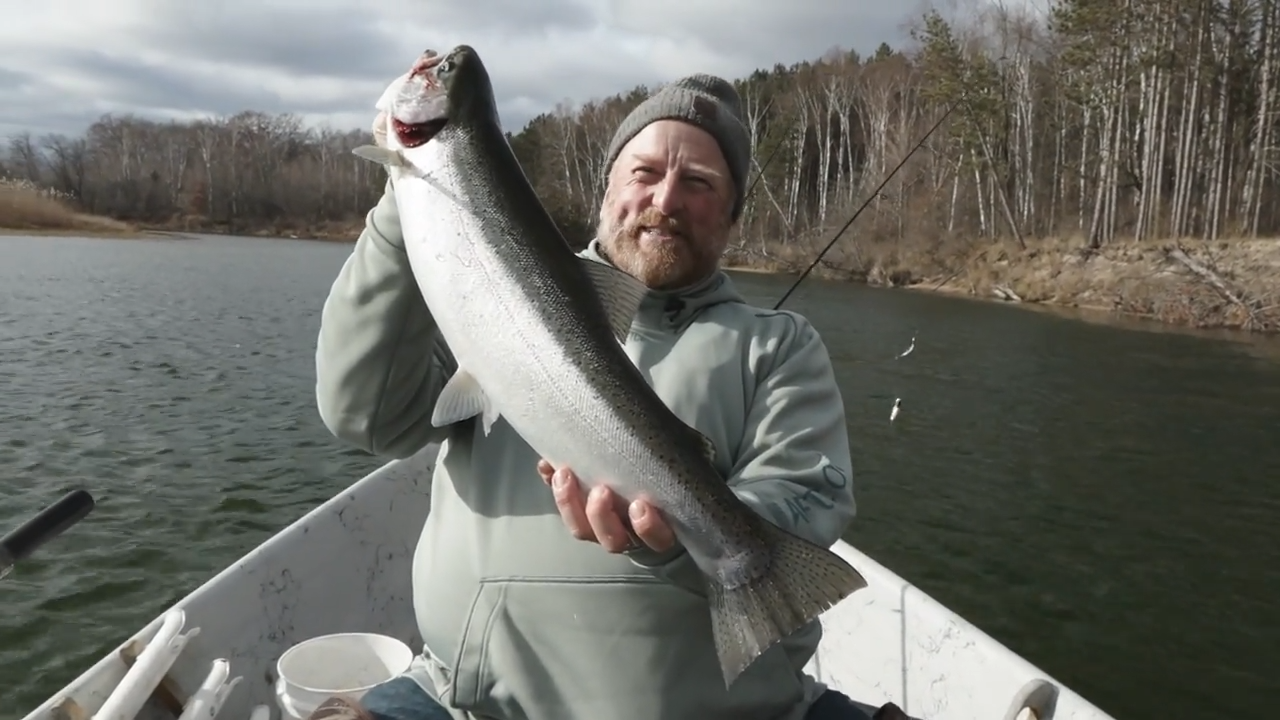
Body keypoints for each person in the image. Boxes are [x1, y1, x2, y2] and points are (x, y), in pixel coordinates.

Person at [313, 49, 882, 720]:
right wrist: (402, 200)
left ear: (732, 215)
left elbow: (803, 505)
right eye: (644, 172)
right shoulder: (475, 290)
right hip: (466, 705)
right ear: (608, 189)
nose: (665, 199)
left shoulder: (778, 346)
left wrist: (680, 545)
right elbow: (363, 415)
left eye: (698, 182)